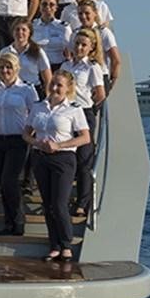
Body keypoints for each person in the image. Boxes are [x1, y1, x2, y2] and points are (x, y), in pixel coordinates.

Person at [24, 71, 90, 262]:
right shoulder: (39, 107)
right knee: (47, 204)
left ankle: (66, 244)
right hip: (41, 157)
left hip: (63, 159)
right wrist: (37, 143)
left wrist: (59, 145)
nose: (54, 88)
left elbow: (85, 137)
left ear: (68, 88)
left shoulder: (74, 109)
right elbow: (26, 133)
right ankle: (54, 244)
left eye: (59, 85)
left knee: (59, 204)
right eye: (53, 84)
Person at [0, 52, 38, 237]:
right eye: (2, 67)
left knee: (9, 180)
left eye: (9, 67)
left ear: (16, 69)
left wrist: (29, 134)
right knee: (2, 183)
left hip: (17, 140)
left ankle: (18, 221)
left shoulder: (26, 89)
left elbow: (35, 112)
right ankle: (9, 222)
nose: (5, 71)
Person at [61, 29, 107, 219]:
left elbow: (100, 93)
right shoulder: (65, 65)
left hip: (83, 113)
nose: (79, 47)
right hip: (66, 113)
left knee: (84, 159)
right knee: (67, 158)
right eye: (77, 43)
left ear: (91, 47)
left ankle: (82, 202)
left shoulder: (92, 67)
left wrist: (91, 111)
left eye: (83, 45)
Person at [69, 0, 122, 90]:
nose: (83, 16)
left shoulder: (103, 32)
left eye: (87, 13)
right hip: (79, 76)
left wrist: (113, 80)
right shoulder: (75, 33)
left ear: (95, 13)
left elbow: (116, 59)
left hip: (99, 75)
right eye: (80, 14)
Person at [2, 19, 51, 92]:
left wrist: (48, 95)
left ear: (29, 33)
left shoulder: (38, 51)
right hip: (11, 90)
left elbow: (47, 77)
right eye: (17, 29)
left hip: (32, 90)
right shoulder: (5, 52)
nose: (20, 32)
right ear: (12, 32)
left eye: (24, 30)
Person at [31, 0, 72, 69]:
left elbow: (69, 48)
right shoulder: (32, 26)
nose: (47, 7)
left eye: (52, 4)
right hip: (36, 67)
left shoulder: (63, 27)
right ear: (39, 7)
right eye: (44, 4)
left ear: (56, 8)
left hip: (58, 67)